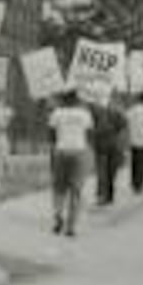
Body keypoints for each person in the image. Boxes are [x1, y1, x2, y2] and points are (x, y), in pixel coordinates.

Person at [47, 87, 94, 236]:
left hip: (61, 151)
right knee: (76, 190)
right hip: (79, 151)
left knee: (59, 188)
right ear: (77, 99)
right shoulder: (84, 114)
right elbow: (89, 134)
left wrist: (55, 146)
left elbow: (51, 134)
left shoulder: (56, 113)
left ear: (64, 99)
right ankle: (71, 226)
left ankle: (58, 216)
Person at [90, 96, 127, 206]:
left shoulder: (100, 112)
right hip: (109, 145)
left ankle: (106, 195)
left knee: (106, 172)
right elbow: (123, 126)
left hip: (106, 145)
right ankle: (105, 195)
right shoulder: (113, 111)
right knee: (107, 171)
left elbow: (123, 126)